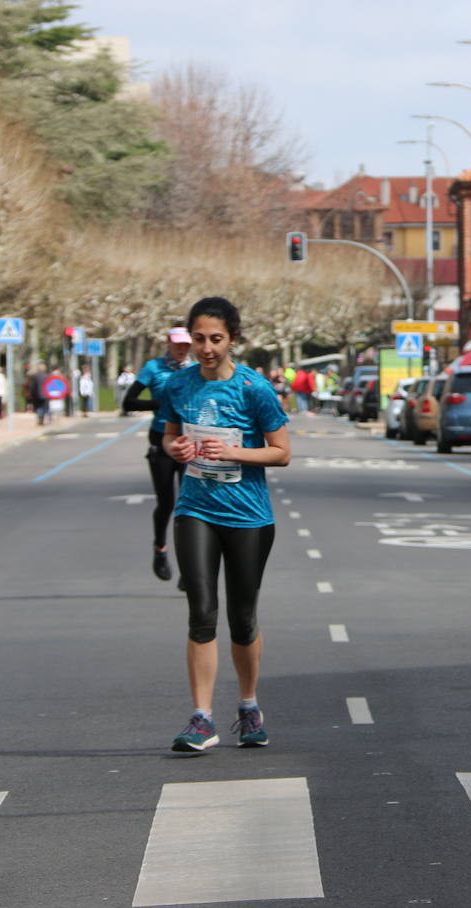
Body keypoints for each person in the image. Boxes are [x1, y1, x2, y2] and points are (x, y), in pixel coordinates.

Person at [158, 297, 290, 752]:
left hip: (248, 516)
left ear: (232, 338)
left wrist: (233, 452)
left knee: (242, 618)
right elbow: (170, 434)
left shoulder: (254, 388)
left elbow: (281, 451)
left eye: (216, 339)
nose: (207, 348)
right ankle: (201, 718)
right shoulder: (178, 385)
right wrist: (174, 448)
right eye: (199, 339)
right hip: (195, 509)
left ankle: (249, 706)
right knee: (201, 611)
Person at [123, 328, 194, 582]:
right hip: (162, 439)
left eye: (186, 344)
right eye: (178, 344)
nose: (182, 349)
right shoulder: (153, 368)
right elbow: (129, 402)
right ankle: (160, 550)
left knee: (190, 507)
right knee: (167, 503)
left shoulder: (197, 369)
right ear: (168, 343)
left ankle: (189, 565)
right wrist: (161, 405)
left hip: (191, 440)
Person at [27, 361, 50, 426]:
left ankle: (40, 419)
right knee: (44, 407)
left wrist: (31, 393)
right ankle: (42, 419)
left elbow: (33, 386)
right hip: (45, 395)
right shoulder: (47, 376)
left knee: (39, 407)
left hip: (37, 395)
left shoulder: (35, 377)